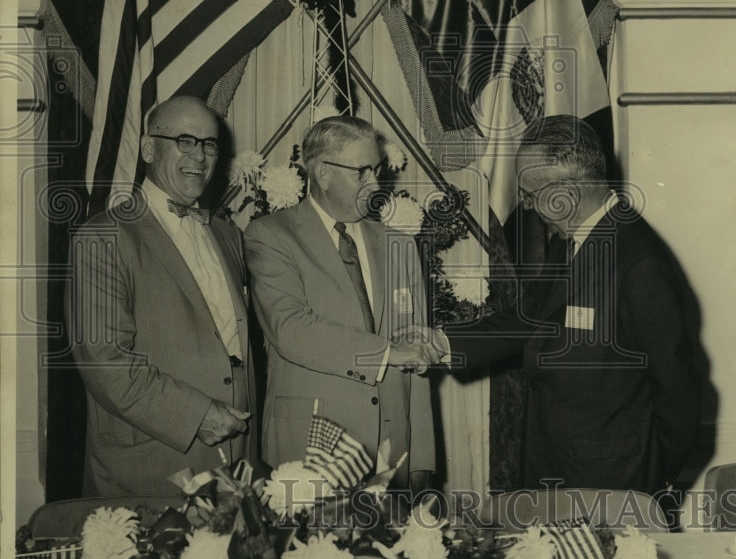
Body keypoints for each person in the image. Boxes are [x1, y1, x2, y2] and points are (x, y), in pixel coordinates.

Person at [435, 114, 701, 495]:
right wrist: (441, 343)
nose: (525, 207)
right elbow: (530, 320)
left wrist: (651, 479)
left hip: (612, 486)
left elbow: (678, 392)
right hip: (556, 471)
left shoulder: (640, 264)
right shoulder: (572, 239)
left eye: (529, 194)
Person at [65, 96, 255, 496]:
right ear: (149, 148)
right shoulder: (104, 237)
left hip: (235, 469)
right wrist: (198, 414)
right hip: (150, 469)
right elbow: (106, 364)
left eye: (209, 144)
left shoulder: (227, 235)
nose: (200, 156)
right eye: (185, 141)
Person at [244, 116, 435, 493]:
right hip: (311, 449)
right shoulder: (270, 236)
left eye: (376, 170)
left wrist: (422, 462)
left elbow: (417, 355)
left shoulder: (400, 246)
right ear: (322, 172)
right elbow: (291, 329)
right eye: (362, 172)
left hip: (391, 454)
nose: (375, 184)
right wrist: (386, 352)